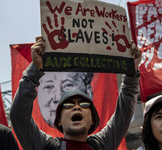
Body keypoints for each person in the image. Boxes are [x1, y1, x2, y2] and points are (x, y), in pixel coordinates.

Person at [10, 35, 142, 150]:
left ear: (92, 120)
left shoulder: (102, 145)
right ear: (59, 121)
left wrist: (132, 70)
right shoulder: (44, 146)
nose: (77, 107)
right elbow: (18, 115)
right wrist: (35, 68)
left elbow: (124, 111)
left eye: (84, 104)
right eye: (68, 105)